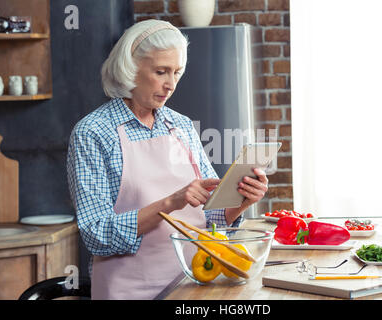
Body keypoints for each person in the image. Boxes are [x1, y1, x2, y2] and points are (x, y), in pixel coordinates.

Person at [66, 19, 268, 300]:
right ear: (130, 68)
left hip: (194, 282)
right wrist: (171, 203)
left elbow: (207, 217)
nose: (171, 84)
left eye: (176, 72)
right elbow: (96, 234)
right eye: (161, 72)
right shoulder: (93, 132)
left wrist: (240, 202)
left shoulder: (181, 125)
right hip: (129, 291)